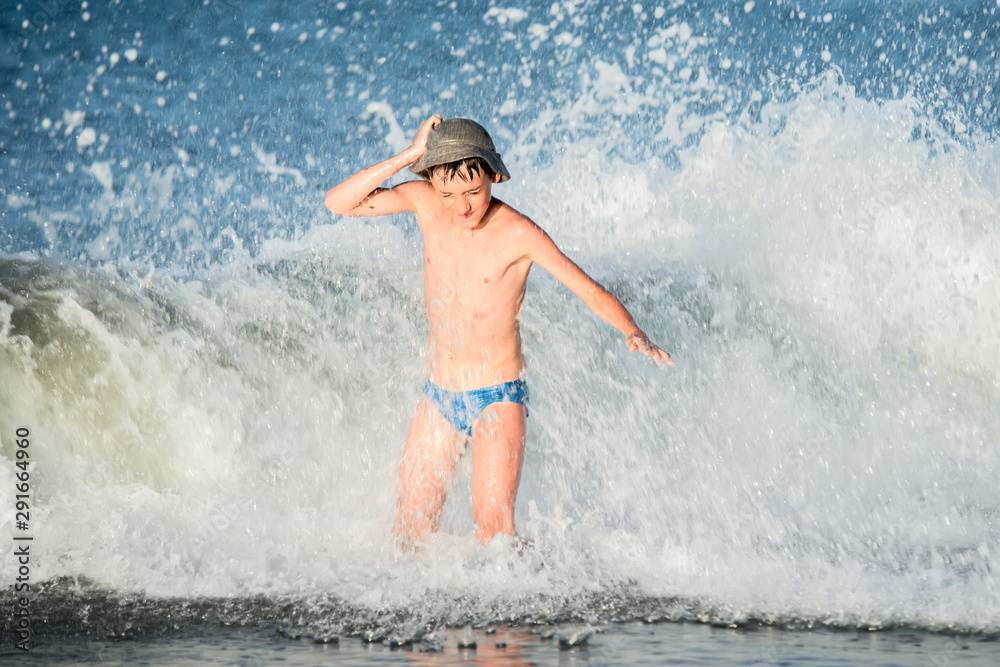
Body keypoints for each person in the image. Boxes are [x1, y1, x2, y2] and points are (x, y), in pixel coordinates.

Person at [325, 114, 673, 549]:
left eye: (473, 191)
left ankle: (528, 609)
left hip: (498, 395)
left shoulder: (518, 233)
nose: (463, 206)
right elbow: (338, 203)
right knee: (408, 532)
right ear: (433, 181)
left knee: (494, 534)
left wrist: (632, 328)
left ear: (493, 174)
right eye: (449, 193)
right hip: (440, 394)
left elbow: (587, 289)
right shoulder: (426, 202)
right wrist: (413, 155)